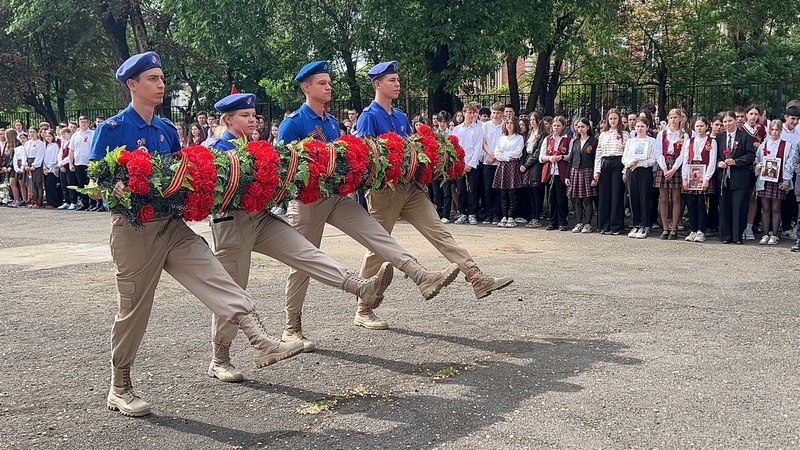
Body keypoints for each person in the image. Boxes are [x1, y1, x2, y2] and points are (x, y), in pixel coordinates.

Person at [89, 51, 304, 417]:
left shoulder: (167, 130)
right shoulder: (111, 130)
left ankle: (259, 339)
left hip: (171, 225)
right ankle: (120, 386)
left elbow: (180, 175)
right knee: (134, 310)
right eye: (153, 78)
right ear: (132, 84)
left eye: (161, 78)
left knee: (215, 274)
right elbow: (93, 182)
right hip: (133, 230)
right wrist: (114, 188)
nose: (160, 84)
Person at [205, 91, 395, 380]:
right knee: (233, 291)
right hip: (232, 225)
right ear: (228, 119)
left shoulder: (256, 145)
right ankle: (221, 358)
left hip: (261, 218)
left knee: (306, 252)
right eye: (245, 116)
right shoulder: (218, 148)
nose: (252, 120)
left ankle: (361, 288)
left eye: (253, 115)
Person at [279, 60, 460, 333]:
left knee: (377, 235)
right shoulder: (292, 124)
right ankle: (292, 326)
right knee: (302, 263)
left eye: (329, 82)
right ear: (306, 87)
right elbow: (283, 167)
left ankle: (420, 275)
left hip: (336, 197)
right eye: (322, 83)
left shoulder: (330, 123)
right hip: (307, 201)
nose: (328, 87)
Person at [356, 61, 513, 324]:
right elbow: (366, 156)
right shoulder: (368, 116)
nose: (397, 84)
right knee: (377, 247)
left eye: (397, 79)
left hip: (411, 188)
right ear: (377, 84)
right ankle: (363, 307)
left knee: (440, 232)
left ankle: (475, 277)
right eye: (392, 80)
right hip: (384, 192)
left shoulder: (400, 116)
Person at [715, 110, 756, 244]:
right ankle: (725, 236)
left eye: (730, 121)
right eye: (725, 122)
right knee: (724, 206)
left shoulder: (744, 137)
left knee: (738, 207)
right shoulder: (719, 137)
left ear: (735, 121)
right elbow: (713, 156)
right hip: (723, 178)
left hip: (739, 177)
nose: (727, 124)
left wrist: (736, 162)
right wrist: (718, 163)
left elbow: (750, 155)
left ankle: (737, 236)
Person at [755, 120, 793, 245]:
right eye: (772, 129)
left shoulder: (787, 145)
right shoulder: (763, 146)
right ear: (769, 130)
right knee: (765, 208)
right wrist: (759, 165)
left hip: (778, 180)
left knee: (776, 208)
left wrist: (786, 180)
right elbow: (757, 160)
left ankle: (775, 234)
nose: (775, 132)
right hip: (765, 181)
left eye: (777, 130)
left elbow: (789, 164)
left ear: (781, 131)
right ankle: (766, 234)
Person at [654, 109, 689, 240]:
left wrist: (674, 169)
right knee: (663, 198)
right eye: (671, 117)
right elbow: (658, 152)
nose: (673, 120)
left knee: (676, 198)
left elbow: (684, 154)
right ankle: (665, 227)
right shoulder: (662, 134)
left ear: (680, 119)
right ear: (668, 118)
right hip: (664, 164)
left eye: (676, 117)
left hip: (676, 166)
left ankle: (674, 228)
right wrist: (664, 168)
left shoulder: (684, 136)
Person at [681, 116, 717, 242]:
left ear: (707, 127)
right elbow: (685, 160)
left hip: (704, 172)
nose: (699, 128)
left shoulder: (711, 141)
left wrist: (707, 178)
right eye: (697, 126)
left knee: (701, 204)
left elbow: (712, 161)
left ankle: (701, 231)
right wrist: (684, 177)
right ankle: (693, 229)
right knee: (691, 204)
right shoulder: (689, 141)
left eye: (701, 126)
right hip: (691, 173)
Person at [594, 108, 629, 234]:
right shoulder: (603, 134)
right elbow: (598, 153)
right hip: (605, 162)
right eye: (611, 118)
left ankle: (616, 226)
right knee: (604, 195)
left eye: (615, 118)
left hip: (618, 162)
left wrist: (625, 170)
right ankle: (604, 225)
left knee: (617, 195)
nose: (613, 121)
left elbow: (627, 153)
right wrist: (596, 171)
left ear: (619, 119)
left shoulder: (624, 134)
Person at [623, 118, 657, 239]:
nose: (640, 128)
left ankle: (644, 225)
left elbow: (653, 159)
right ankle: (635, 224)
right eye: (638, 126)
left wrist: (640, 164)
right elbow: (624, 158)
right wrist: (632, 163)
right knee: (633, 198)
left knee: (644, 197)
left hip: (645, 171)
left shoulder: (652, 141)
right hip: (632, 171)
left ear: (647, 127)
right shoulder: (630, 142)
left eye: (642, 126)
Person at [451, 102, 484, 225]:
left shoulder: (478, 129)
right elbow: (454, 147)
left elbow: (478, 148)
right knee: (461, 189)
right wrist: (460, 163)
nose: (471, 115)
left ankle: (472, 213)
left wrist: (471, 164)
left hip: (472, 164)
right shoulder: (457, 129)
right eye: (469, 112)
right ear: (464, 113)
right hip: (460, 164)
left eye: (474, 113)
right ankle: (463, 212)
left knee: (472, 189)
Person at [540, 116, 572, 231]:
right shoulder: (548, 139)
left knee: (561, 198)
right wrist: (549, 158)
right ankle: (552, 221)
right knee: (551, 198)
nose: (556, 128)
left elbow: (571, 156)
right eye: (554, 125)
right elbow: (541, 157)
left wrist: (561, 157)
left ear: (563, 126)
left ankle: (563, 221)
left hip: (561, 172)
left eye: (558, 125)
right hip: (551, 171)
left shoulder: (568, 139)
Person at [566, 117, 598, 233]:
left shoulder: (594, 142)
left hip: (587, 171)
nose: (580, 129)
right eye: (578, 127)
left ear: (588, 127)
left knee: (587, 199)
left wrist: (595, 176)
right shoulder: (575, 142)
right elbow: (571, 159)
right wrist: (567, 176)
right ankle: (579, 222)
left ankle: (588, 224)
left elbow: (596, 159)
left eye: (582, 127)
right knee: (577, 199)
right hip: (575, 172)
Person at [492, 117, 524, 227]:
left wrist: (506, 155)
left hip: (513, 167)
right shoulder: (501, 138)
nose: (509, 125)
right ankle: (504, 216)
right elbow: (497, 153)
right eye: (507, 123)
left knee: (512, 192)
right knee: (503, 192)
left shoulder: (519, 138)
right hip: (503, 166)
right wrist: (507, 157)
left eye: (511, 123)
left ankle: (511, 216)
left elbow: (518, 152)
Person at [520, 111, 546, 228]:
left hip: (535, 164)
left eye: (534, 120)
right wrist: (522, 163)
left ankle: (537, 216)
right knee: (529, 192)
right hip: (527, 161)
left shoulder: (543, 134)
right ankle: (531, 216)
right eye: (530, 120)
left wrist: (526, 165)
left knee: (536, 192)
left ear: (539, 120)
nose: (532, 122)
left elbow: (538, 152)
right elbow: (525, 149)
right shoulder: (531, 133)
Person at [481, 102, 505, 223]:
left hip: (500, 162)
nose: (495, 115)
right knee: (488, 189)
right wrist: (490, 153)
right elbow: (483, 142)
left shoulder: (505, 126)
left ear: (502, 113)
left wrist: (495, 155)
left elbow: (505, 142)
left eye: (498, 113)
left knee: (498, 189)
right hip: (487, 162)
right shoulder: (485, 126)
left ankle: (497, 214)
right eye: (494, 113)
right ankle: (489, 213)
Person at [431, 110, 453, 223]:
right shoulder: (434, 134)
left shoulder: (451, 134)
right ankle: (438, 213)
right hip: (436, 166)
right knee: (436, 192)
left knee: (446, 192)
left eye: (444, 121)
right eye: (440, 121)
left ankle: (446, 214)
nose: (442, 124)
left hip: (446, 166)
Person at [69, 116, 95, 211]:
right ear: (79, 123)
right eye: (82, 122)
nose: (83, 124)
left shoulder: (92, 134)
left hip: (88, 162)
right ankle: (85, 203)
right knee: (81, 184)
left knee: (90, 183)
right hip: (78, 162)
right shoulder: (75, 135)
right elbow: (71, 150)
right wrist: (71, 163)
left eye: (85, 122)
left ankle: (92, 203)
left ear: (88, 123)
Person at [23, 127, 45, 208]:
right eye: (30, 132)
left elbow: (40, 155)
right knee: (30, 183)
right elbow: (24, 154)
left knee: (38, 183)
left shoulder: (40, 143)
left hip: (36, 164)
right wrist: (25, 164)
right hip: (28, 163)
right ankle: (32, 200)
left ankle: (39, 201)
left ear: (37, 133)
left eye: (33, 132)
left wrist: (35, 165)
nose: (31, 134)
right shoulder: (27, 143)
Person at [42, 129, 63, 208]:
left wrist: (48, 168)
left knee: (51, 185)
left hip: (52, 169)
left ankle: (55, 202)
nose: (48, 138)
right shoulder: (46, 146)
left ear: (52, 137)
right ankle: (49, 202)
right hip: (46, 168)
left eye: (49, 136)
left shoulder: (54, 146)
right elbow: (44, 158)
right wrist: (44, 168)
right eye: (46, 136)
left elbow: (54, 159)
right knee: (47, 186)